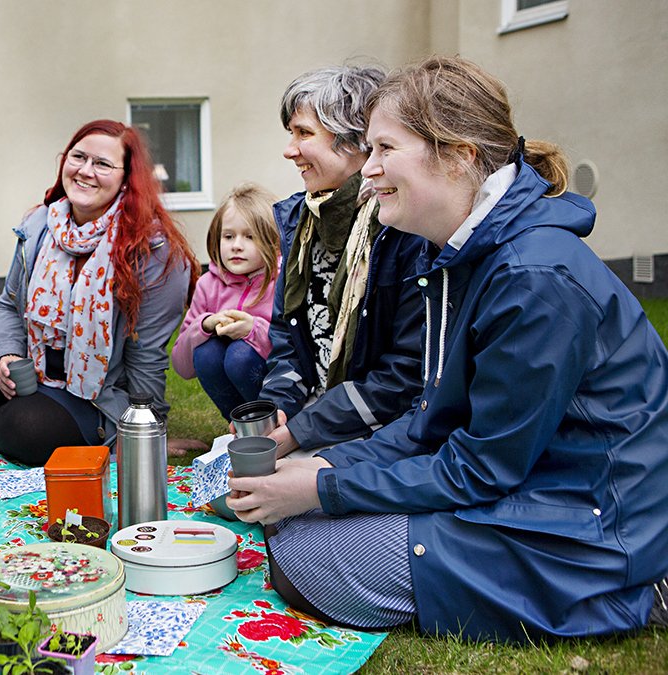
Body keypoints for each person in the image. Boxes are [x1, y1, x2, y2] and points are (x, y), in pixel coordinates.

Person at [228, 55, 668, 641]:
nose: (369, 171)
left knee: (305, 557)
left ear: (459, 154)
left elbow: (484, 466)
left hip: (592, 526)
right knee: (289, 522)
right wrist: (325, 464)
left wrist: (321, 485)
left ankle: (640, 591)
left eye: (385, 149)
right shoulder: (461, 254)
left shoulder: (534, 277)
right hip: (531, 486)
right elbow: (429, 421)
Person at [0, 119, 199, 466]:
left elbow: (146, 353)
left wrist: (147, 431)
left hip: (90, 390)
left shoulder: (154, 251)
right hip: (29, 362)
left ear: (127, 179)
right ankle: (20, 408)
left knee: (22, 431)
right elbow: (10, 305)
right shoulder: (40, 225)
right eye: (78, 157)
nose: (86, 171)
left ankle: (38, 417)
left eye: (102, 164)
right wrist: (6, 356)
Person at [256, 65, 425, 458]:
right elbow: (287, 339)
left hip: (384, 436)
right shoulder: (301, 222)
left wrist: (300, 432)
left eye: (303, 133)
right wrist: (275, 409)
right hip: (318, 419)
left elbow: (405, 372)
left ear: (353, 141)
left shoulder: (403, 231)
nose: (289, 149)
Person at [171, 183, 281, 421]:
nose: (236, 245)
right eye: (228, 236)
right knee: (207, 353)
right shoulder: (208, 284)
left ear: (273, 241)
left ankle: (270, 424)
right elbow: (182, 366)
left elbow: (294, 352)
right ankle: (239, 426)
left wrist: (253, 330)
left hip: (279, 393)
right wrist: (204, 325)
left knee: (240, 355)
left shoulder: (282, 282)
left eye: (250, 237)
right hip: (234, 397)